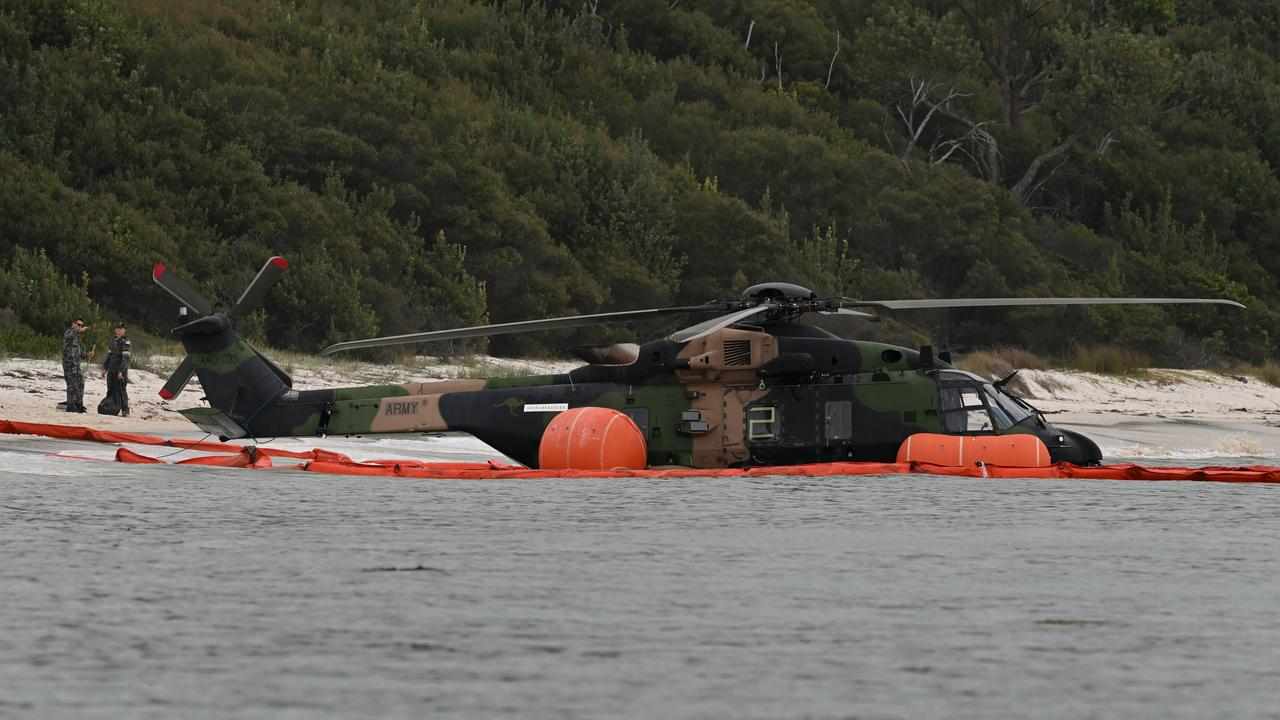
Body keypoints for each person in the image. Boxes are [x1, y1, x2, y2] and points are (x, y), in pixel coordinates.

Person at [103, 322, 131, 417]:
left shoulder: (125, 342)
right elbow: (109, 356)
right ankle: (110, 407)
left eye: (121, 329)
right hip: (111, 369)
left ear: (124, 331)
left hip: (120, 370)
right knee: (110, 389)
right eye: (118, 329)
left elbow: (125, 359)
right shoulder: (113, 341)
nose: (119, 331)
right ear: (115, 330)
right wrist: (105, 368)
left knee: (121, 390)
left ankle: (125, 410)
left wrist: (121, 371)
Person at [62, 319, 88, 413]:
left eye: (81, 325)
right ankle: (71, 406)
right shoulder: (69, 332)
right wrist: (77, 331)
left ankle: (79, 404)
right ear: (73, 324)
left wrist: (87, 355)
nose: (80, 326)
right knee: (71, 385)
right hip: (69, 364)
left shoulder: (78, 338)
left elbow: (80, 353)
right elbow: (69, 337)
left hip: (77, 365)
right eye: (78, 324)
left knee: (80, 384)